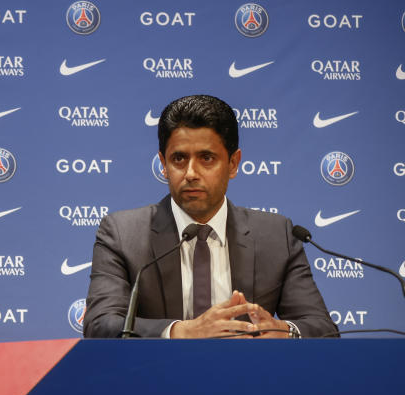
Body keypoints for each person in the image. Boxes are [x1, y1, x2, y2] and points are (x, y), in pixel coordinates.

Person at [82, 94, 336, 339]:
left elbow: (322, 328)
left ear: (233, 163)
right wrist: (182, 331)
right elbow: (101, 324)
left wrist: (282, 331)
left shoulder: (277, 235)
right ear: (163, 163)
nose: (191, 173)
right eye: (179, 158)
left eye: (206, 158)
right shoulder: (123, 234)